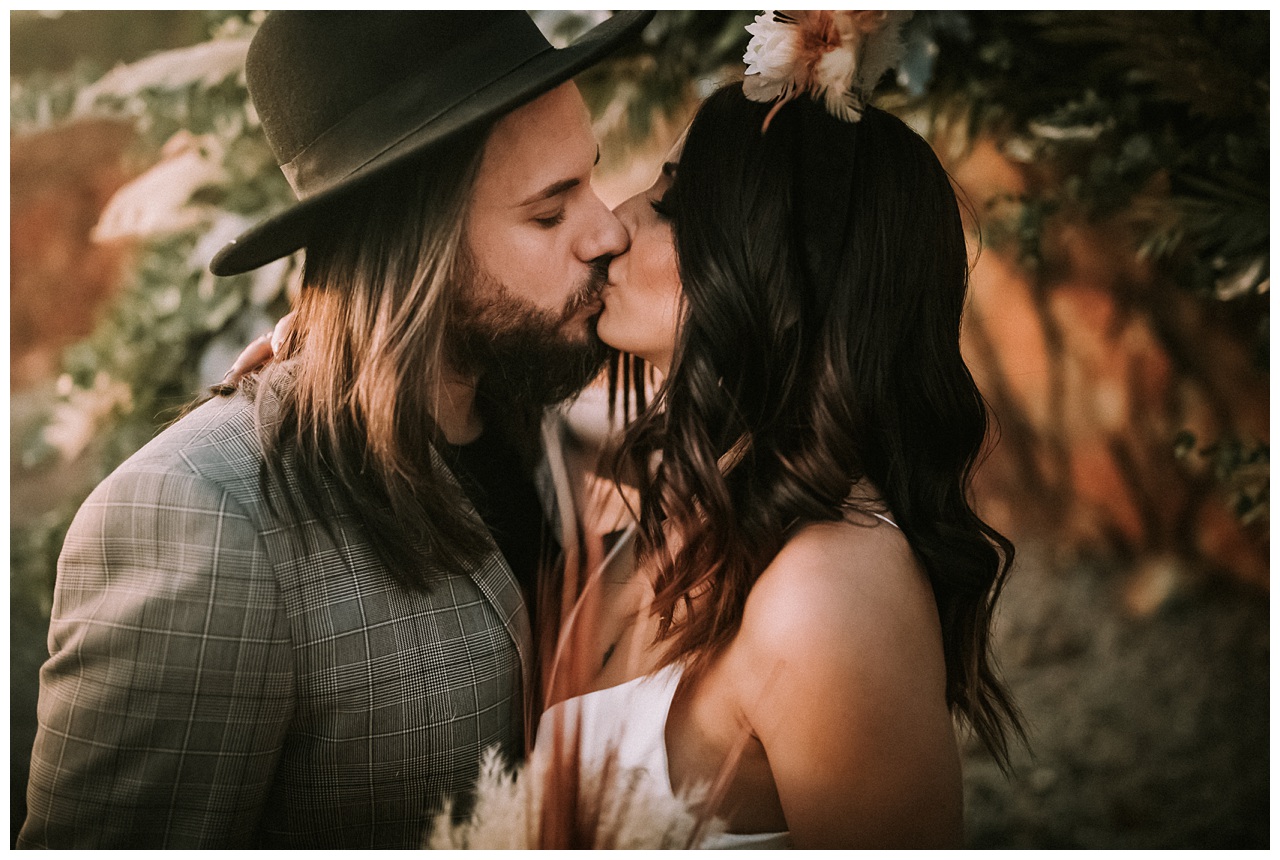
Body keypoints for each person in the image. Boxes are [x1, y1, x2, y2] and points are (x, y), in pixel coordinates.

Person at [18, 10, 653, 849]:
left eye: (591, 179)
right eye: (548, 212)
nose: (609, 230)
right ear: (414, 245)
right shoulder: (202, 513)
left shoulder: (529, 414)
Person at [526, 11, 1023, 849]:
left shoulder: (829, 593)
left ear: (780, 266)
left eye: (675, 201)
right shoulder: (686, 506)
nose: (613, 225)